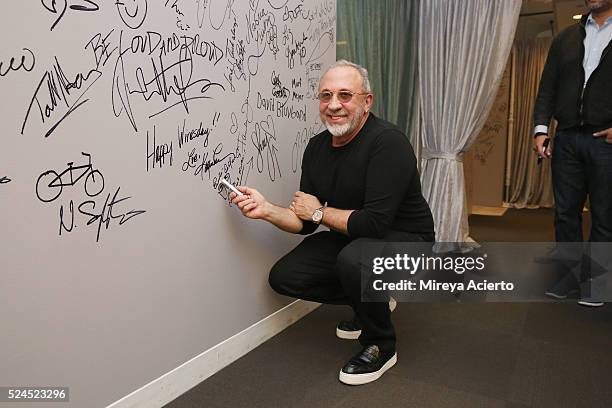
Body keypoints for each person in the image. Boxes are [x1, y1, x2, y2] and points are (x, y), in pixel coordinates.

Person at [230, 60, 434, 384]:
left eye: (344, 95)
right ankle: (370, 300)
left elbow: (373, 225)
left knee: (354, 260)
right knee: (285, 277)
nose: (334, 105)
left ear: (367, 102)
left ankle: (381, 344)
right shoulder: (316, 147)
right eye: (326, 96)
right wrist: (266, 208)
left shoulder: (388, 143)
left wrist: (319, 212)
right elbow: (306, 222)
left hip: (408, 240)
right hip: (353, 237)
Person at [533, 0, 612, 307]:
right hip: (565, 138)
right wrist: (541, 129)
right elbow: (547, 87)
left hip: (604, 141)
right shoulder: (565, 38)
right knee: (565, 214)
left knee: (605, 216)